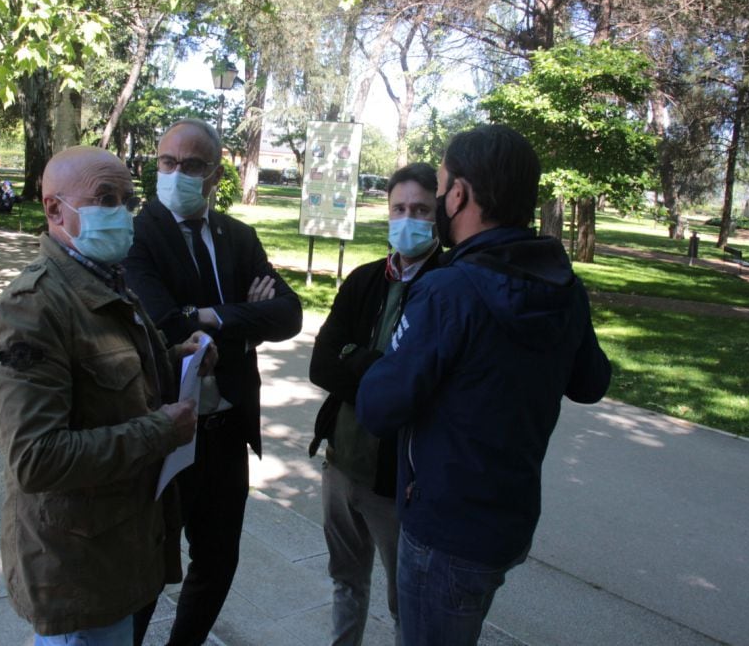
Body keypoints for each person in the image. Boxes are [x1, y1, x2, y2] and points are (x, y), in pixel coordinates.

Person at [355, 125, 612, 645]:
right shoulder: (561, 282)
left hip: (443, 531)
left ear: (459, 194)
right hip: (508, 520)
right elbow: (591, 382)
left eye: (444, 185)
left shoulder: (448, 290)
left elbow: (378, 407)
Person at [0, 145, 216, 645]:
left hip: (113, 549)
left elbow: (109, 375)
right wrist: (161, 430)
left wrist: (179, 358)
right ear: (54, 209)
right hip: (74, 567)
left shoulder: (103, 279)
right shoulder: (32, 309)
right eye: (105, 198)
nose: (122, 214)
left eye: (127, 201)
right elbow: (36, 458)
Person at [124, 118, 303, 646]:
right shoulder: (138, 235)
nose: (177, 173)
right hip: (164, 429)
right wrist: (244, 312)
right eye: (167, 162)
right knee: (150, 565)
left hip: (226, 431)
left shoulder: (237, 236)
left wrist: (211, 317)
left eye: (192, 165)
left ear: (215, 174)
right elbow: (165, 324)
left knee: (218, 559)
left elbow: (289, 314)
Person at [308, 163, 442, 646]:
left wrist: (357, 360)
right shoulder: (365, 280)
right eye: (400, 208)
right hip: (341, 463)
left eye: (421, 209)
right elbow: (321, 364)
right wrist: (380, 366)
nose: (409, 219)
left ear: (439, 215)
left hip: (397, 483)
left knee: (405, 600)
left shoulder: (447, 286)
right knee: (346, 581)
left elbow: (423, 392)